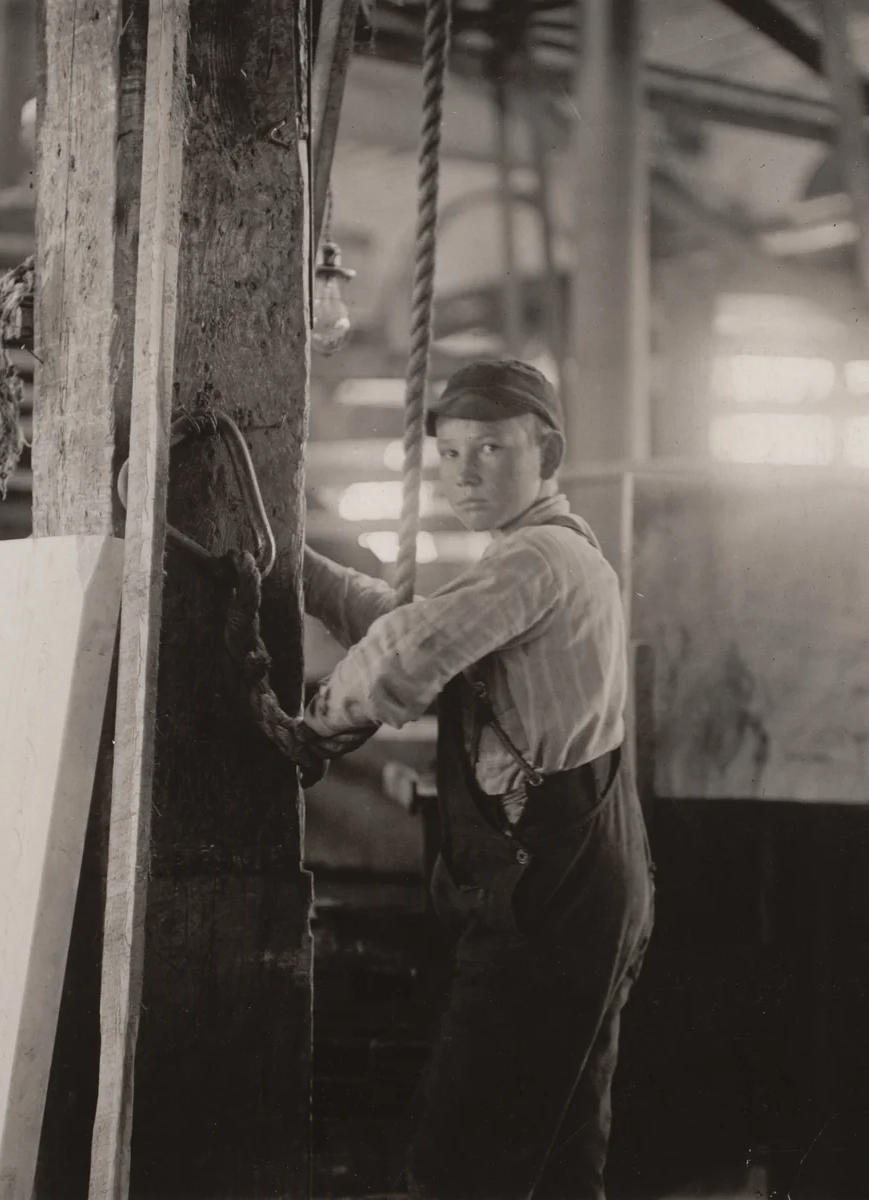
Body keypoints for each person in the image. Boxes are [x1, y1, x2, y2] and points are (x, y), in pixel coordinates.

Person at [300, 358, 655, 1200]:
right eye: (451, 454)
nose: (465, 473)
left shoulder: (537, 559)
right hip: (584, 886)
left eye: (490, 450)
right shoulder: (545, 560)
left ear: (548, 451)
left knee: (459, 1159)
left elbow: (407, 655)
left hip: (548, 898)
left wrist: (308, 727)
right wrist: (300, 571)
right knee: (559, 1159)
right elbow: (412, 624)